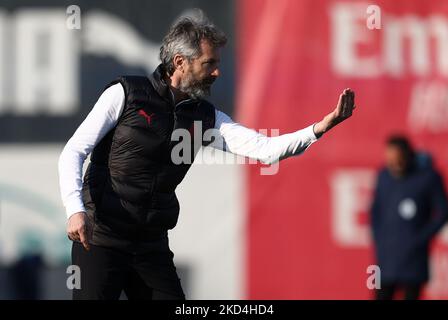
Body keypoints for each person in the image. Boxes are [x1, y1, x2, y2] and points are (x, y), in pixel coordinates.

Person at [58, 12, 356, 300]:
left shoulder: (204, 116)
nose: (217, 72)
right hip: (100, 238)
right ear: (180, 63)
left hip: (150, 245)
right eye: (208, 63)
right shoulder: (126, 93)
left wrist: (321, 127)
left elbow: (266, 150)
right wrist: (75, 209)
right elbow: (74, 150)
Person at [370, 135, 448, 300]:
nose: (394, 164)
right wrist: (379, 238)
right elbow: (375, 211)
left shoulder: (429, 177)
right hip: (384, 259)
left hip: (414, 259)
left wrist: (420, 238)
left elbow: (443, 212)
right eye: (390, 160)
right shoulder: (383, 176)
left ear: (408, 155)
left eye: (398, 159)